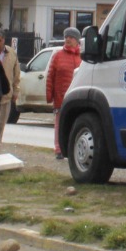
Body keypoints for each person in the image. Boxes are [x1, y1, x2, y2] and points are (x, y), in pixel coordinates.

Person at [46, 27, 83, 158]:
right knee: (59, 123)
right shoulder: (57, 56)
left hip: (78, 96)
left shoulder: (82, 57)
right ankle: (59, 149)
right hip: (61, 96)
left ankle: (72, 148)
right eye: (66, 37)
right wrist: (49, 95)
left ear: (77, 40)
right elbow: (50, 76)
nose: (68, 39)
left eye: (71, 37)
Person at [0, 29, 20, 148]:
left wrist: (16, 91)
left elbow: (16, 73)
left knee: (2, 124)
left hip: (6, 94)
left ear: (3, 41)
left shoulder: (11, 53)